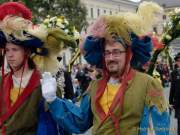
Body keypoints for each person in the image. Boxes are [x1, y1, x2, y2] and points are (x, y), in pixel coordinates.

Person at [41, 1, 169, 135]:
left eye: (117, 52)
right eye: (107, 52)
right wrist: (53, 100)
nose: (111, 57)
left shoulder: (148, 84)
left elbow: (160, 127)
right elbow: (80, 121)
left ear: (129, 55)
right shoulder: (95, 86)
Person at [0, 2, 76, 135]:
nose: (10, 55)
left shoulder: (44, 85)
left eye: (15, 50)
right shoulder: (2, 81)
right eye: (7, 50)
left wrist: (52, 100)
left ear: (27, 52)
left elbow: (57, 125)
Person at [169, 52, 180, 135]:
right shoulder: (174, 73)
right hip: (178, 102)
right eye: (178, 61)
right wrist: (170, 102)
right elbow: (172, 88)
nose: (179, 62)